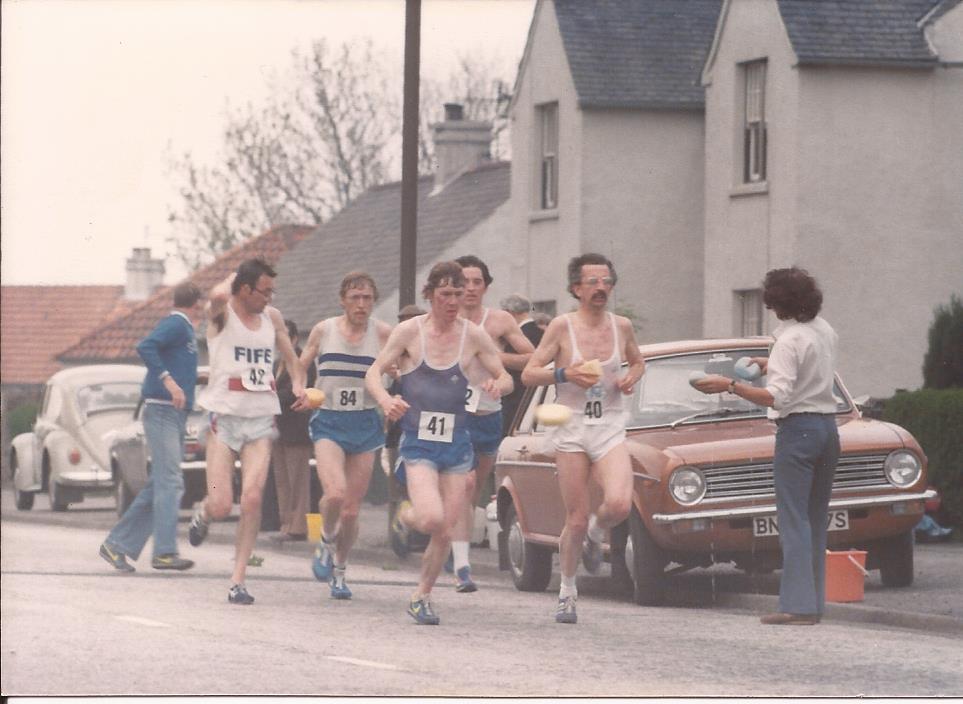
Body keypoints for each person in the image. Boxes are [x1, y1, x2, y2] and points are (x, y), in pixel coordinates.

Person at [365, 261, 512, 625]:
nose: (452, 301)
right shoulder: (409, 332)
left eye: (458, 294)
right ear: (429, 294)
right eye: (445, 294)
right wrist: (385, 401)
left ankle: (421, 596)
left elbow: (505, 375)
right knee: (432, 518)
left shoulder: (473, 336)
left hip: (457, 442)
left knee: (446, 527)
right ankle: (406, 516)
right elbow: (373, 372)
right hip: (418, 441)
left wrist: (498, 386)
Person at [693, 267, 839, 626]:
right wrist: (767, 363)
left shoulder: (788, 340)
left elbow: (776, 396)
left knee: (793, 520)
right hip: (827, 427)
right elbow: (808, 371)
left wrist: (730, 385)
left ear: (778, 302)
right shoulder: (823, 330)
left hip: (798, 430)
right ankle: (813, 602)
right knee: (816, 520)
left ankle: (797, 606)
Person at [521, 253, 645, 624]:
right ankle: (567, 590)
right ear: (576, 288)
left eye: (606, 281)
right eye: (592, 282)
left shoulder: (621, 326)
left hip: (608, 424)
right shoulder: (562, 327)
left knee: (620, 504)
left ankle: (597, 531)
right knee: (574, 518)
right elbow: (529, 373)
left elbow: (638, 361)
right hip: (572, 426)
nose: (600, 288)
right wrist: (565, 374)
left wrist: (631, 377)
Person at [190, 258, 305, 606]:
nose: (270, 297)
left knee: (252, 498)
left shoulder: (272, 318)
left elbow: (292, 360)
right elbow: (215, 293)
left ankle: (238, 579)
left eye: (273, 290)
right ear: (243, 288)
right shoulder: (222, 315)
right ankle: (205, 510)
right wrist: (236, 274)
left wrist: (299, 384)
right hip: (223, 421)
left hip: (259, 421)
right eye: (264, 290)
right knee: (222, 502)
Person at [294, 272, 392, 600]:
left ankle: (340, 569)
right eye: (355, 298)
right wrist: (300, 389)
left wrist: (395, 381)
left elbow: (404, 363)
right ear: (343, 300)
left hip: (365, 423)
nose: (361, 304)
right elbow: (301, 364)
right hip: (329, 421)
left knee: (351, 509)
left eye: (367, 298)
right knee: (334, 494)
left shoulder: (382, 333)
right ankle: (325, 539)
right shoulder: (324, 330)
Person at [99, 282, 204, 573]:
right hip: (162, 411)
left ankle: (116, 545)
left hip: (172, 415)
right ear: (197, 303)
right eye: (203, 304)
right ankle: (165, 552)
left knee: (161, 482)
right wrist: (169, 381)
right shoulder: (177, 324)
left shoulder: (184, 329)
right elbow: (145, 346)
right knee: (171, 481)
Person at [448, 255, 535, 593]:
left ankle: (452, 541)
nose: (469, 288)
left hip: (488, 413)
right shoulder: (445, 320)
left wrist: (495, 360)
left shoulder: (498, 321)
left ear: (486, 286)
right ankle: (462, 566)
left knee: (473, 488)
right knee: (466, 484)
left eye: (476, 282)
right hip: (453, 416)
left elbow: (532, 357)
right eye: (463, 282)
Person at [384, 303, 427, 557]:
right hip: (403, 430)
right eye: (403, 320)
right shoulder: (396, 351)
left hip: (432, 428)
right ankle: (405, 535)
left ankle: (422, 535)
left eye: (412, 320)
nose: (408, 325)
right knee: (405, 484)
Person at [271, 319, 316, 543]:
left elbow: (294, 393)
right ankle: (286, 523)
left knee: (298, 479)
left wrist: (268, 399)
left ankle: (298, 526)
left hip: (296, 428)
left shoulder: (302, 361)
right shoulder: (277, 363)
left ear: (295, 338)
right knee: (282, 479)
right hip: (277, 428)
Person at [500, 292, 544, 435]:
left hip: (517, 403)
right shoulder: (542, 333)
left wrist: (496, 357)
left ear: (509, 312)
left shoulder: (519, 337)